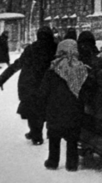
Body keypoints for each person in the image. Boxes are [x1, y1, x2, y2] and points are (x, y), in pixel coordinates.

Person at [0, 26, 57, 145]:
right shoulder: (55, 49)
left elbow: (17, 65)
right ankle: (36, 132)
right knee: (43, 110)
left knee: (32, 110)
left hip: (30, 85)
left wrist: (1, 80)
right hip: (47, 85)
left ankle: (36, 134)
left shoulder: (31, 49)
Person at [38, 39, 95, 172]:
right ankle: (72, 163)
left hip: (54, 110)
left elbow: (43, 91)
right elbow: (87, 90)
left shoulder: (53, 69)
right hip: (74, 110)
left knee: (54, 137)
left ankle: (52, 161)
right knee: (72, 138)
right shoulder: (81, 69)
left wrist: (42, 106)